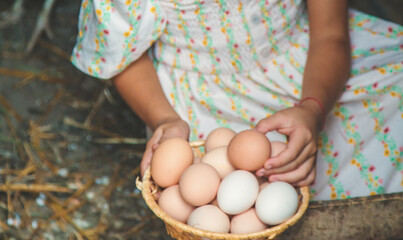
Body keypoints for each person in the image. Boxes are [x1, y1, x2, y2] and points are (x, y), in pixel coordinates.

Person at [71, 0, 403, 201]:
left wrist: (313, 109)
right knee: (216, 196)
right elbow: (122, 56)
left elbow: (330, 34)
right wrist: (165, 121)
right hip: (203, 97)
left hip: (307, 63)